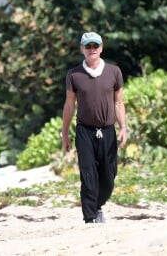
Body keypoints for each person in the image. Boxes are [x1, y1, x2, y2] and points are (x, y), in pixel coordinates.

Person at [62, 32, 128, 224]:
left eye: (95, 46)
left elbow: (118, 103)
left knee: (108, 177)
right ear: (82, 49)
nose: (92, 49)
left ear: (101, 48)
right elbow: (69, 105)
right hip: (85, 131)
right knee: (88, 175)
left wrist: (123, 126)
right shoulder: (74, 75)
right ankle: (90, 217)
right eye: (88, 46)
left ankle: (97, 205)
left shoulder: (114, 72)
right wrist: (65, 134)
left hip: (107, 131)